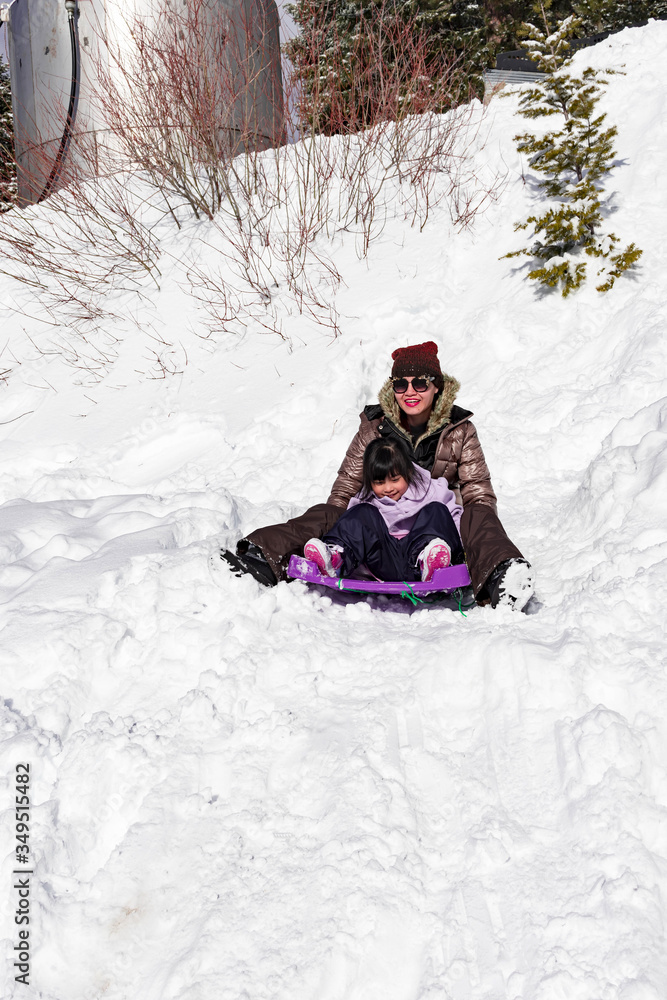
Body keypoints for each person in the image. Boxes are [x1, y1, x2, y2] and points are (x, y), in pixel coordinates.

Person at [222, 340, 534, 609]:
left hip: (438, 538)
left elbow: (478, 492)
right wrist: (340, 528)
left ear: (437, 386)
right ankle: (267, 557)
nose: (410, 391)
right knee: (334, 512)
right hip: (380, 541)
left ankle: (500, 575)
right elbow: (345, 489)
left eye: (420, 383)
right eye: (401, 384)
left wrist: (472, 547)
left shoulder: (460, 430)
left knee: (476, 510)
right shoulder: (374, 429)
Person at [304, 437, 464, 582]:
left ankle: (431, 560)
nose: (388, 488)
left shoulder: (433, 490)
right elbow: (353, 532)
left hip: (425, 559)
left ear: (408, 472)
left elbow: (454, 521)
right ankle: (335, 559)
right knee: (361, 512)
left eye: (395, 480)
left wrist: (464, 555)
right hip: (383, 562)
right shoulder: (365, 501)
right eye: (379, 483)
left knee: (436, 510)